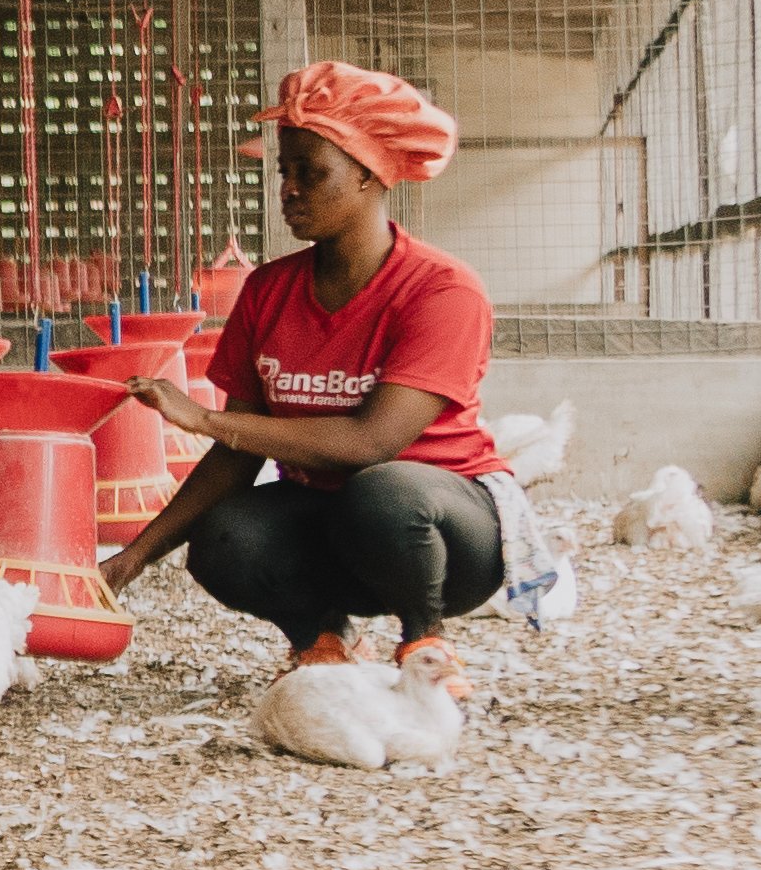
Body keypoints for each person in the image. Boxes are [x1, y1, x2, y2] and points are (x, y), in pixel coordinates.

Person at [103, 62, 514, 704]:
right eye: (283, 172)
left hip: (444, 534)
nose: (288, 190)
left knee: (384, 491)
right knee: (223, 537)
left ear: (369, 173)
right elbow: (238, 457)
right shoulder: (268, 290)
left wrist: (204, 418)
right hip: (338, 527)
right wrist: (132, 559)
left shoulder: (441, 290)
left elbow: (370, 442)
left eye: (310, 172)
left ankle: (425, 641)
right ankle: (323, 638)